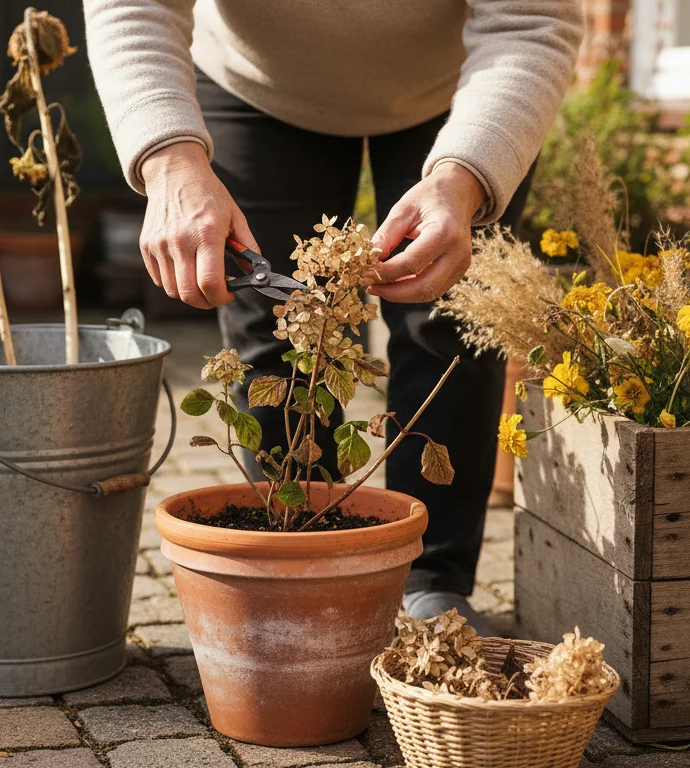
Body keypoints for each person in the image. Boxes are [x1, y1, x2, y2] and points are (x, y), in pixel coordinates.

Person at [85, 0, 584, 635]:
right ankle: (311, 566)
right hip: (255, 81)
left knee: (449, 329)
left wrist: (462, 182)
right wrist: (170, 160)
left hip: (460, 87)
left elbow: (532, 21)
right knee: (275, 334)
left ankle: (432, 582)